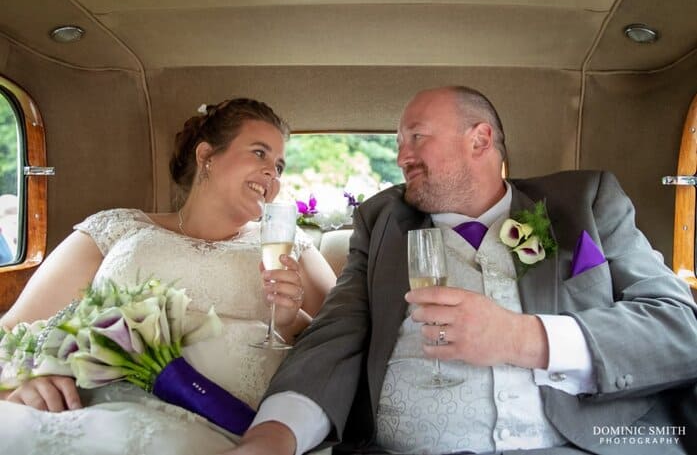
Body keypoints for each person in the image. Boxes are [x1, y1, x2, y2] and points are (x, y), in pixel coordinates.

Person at [231, 86, 697, 455]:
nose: (401, 157)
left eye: (416, 137)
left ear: (480, 139)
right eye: (397, 144)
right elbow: (335, 337)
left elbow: (681, 329)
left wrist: (523, 338)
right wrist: (274, 436)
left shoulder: (586, 202)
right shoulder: (382, 222)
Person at [0, 98, 337, 454]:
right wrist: (22, 379)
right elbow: (13, 330)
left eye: (280, 166)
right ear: (207, 156)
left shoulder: (288, 245)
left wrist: (290, 321)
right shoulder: (117, 228)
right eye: (259, 154)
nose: (273, 173)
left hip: (229, 434)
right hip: (93, 411)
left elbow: (347, 340)